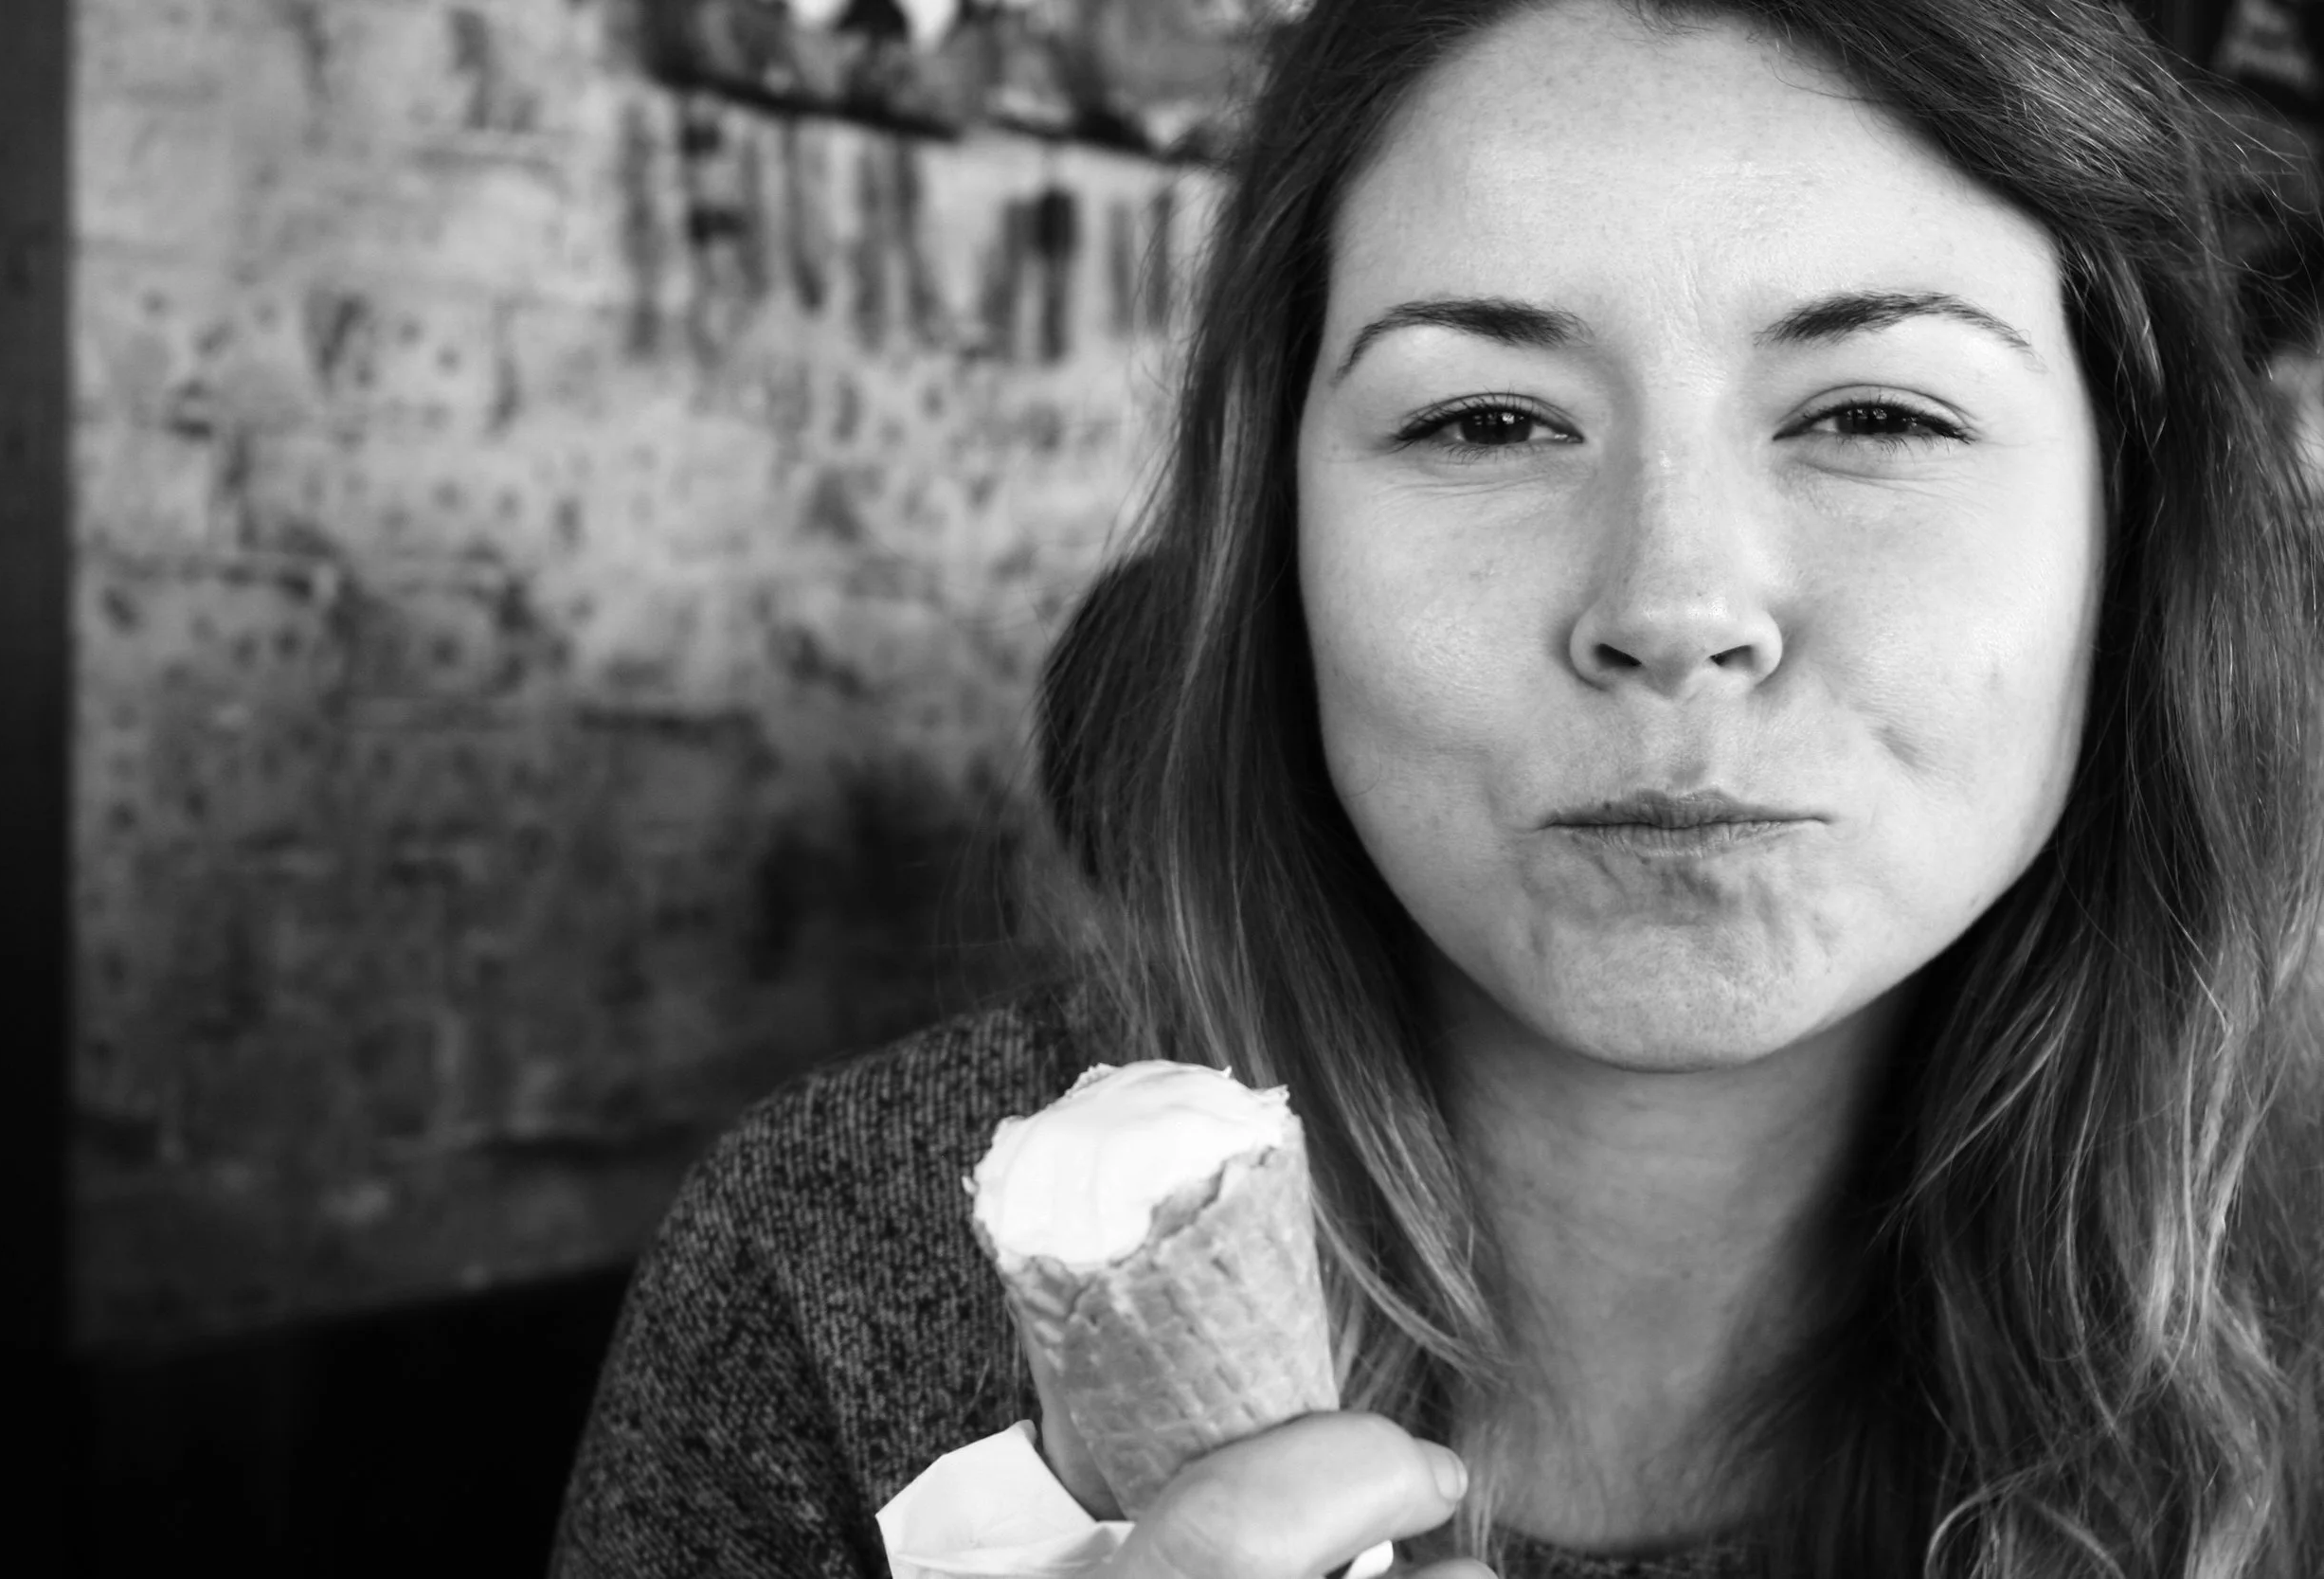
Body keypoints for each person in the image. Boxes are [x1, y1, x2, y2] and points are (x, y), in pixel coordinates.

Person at [550, 1, 2324, 1574]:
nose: (1673, 609)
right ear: (1276, 543)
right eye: (1485, 420)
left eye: (1875, 413)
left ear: (2135, 522)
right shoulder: (844, 1273)